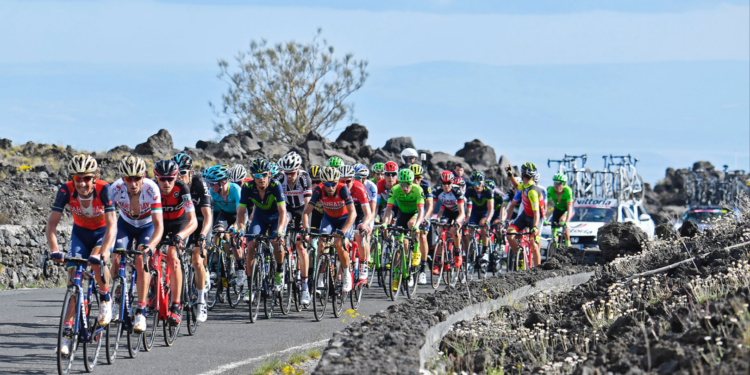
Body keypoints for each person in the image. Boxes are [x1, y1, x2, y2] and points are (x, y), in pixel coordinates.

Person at [47, 155, 117, 356]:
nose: (82, 183)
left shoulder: (104, 189)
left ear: (95, 177)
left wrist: (103, 253)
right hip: (79, 234)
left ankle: (105, 299)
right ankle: (68, 333)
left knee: (96, 263)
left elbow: (112, 225)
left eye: (87, 178)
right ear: (73, 179)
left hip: (102, 233)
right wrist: (54, 250)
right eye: (78, 178)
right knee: (73, 281)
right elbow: (52, 224)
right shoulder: (65, 190)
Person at [111, 155, 165, 331]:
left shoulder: (152, 189)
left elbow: (159, 226)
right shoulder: (115, 189)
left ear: (143, 177)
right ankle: (117, 296)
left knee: (141, 259)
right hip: (125, 224)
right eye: (128, 179)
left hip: (147, 226)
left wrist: (151, 247)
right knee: (116, 255)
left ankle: (141, 311)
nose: (133, 184)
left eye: (137, 179)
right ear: (122, 179)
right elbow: (108, 222)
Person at [154, 159, 198, 325]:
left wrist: (181, 236)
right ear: (156, 178)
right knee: (149, 254)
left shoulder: (182, 188)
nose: (166, 183)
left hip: (180, 224)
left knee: (173, 255)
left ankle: (176, 305)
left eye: (170, 179)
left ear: (176, 177)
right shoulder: (151, 189)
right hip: (160, 224)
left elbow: (193, 221)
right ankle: (153, 291)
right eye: (162, 179)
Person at [301, 166, 357, 292]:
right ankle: (320, 278)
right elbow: (306, 212)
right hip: (329, 219)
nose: (330, 188)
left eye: (333, 184)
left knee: (339, 244)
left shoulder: (342, 189)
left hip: (344, 219)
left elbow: (353, 213)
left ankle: (346, 273)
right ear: (322, 183)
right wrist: (305, 228)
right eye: (327, 184)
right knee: (322, 244)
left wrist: (343, 231)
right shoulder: (319, 190)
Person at [236, 158, 288, 292]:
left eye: (264, 174)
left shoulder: (275, 185)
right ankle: (251, 286)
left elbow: (283, 212)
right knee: (251, 244)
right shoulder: (248, 187)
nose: (262, 178)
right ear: (253, 176)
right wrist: (241, 228)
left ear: (269, 174)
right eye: (258, 176)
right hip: (260, 218)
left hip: (276, 217)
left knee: (276, 242)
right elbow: (241, 212)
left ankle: (279, 272)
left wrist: (280, 231)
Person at [172, 153, 212, 323]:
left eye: (183, 172)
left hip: (202, 222)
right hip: (185, 223)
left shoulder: (199, 183)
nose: (179, 176)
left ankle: (201, 301)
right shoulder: (173, 186)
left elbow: (208, 216)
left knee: (196, 260)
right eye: (177, 173)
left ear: (191, 172)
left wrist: (203, 235)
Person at [205, 164, 247, 292]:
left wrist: (235, 226)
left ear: (223, 182)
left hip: (237, 214)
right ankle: (215, 267)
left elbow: (241, 213)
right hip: (223, 214)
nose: (211, 186)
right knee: (217, 234)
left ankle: (240, 268)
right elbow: (211, 212)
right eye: (209, 183)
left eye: (213, 183)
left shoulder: (235, 190)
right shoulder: (213, 191)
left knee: (234, 238)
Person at [278, 151, 313, 305]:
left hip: (301, 210)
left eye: (292, 172)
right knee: (279, 233)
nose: (289, 175)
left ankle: (305, 288)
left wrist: (305, 229)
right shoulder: (279, 178)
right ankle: (281, 269)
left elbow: (308, 205)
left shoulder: (304, 178)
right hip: (286, 210)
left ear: (298, 169)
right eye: (286, 172)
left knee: (301, 247)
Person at [382, 169, 425, 291]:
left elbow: (421, 211)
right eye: (402, 184)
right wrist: (385, 223)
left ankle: (416, 251)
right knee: (399, 245)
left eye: (407, 184)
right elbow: (388, 209)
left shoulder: (418, 190)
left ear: (412, 182)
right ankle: (396, 277)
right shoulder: (395, 190)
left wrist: (417, 225)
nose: (405, 187)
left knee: (412, 224)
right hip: (402, 214)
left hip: (415, 214)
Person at [505, 163, 545, 267]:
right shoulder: (525, 185)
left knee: (533, 244)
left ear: (522, 174)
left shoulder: (532, 191)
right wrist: (510, 175)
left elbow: (536, 212)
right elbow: (517, 186)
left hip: (535, 219)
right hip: (525, 215)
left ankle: (537, 270)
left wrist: (535, 227)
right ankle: (520, 255)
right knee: (509, 234)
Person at [339, 165, 373, 282]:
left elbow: (368, 213)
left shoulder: (359, 188)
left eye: (348, 181)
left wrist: (363, 225)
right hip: (347, 213)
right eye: (342, 181)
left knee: (360, 234)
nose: (345, 184)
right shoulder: (337, 188)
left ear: (353, 180)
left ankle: (364, 264)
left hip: (360, 213)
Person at [432, 170, 465, 273]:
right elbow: (432, 208)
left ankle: (457, 253)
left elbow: (462, 213)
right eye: (444, 183)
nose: (446, 186)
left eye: (449, 183)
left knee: (454, 228)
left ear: (452, 182)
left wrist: (457, 222)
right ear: (440, 183)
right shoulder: (437, 190)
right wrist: (434, 219)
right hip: (447, 212)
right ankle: (438, 262)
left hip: (457, 213)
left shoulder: (457, 191)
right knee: (442, 230)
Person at [463, 171, 494, 269]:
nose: (476, 186)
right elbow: (463, 204)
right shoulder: (469, 190)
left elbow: (491, 209)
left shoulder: (488, 191)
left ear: (483, 183)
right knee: (470, 231)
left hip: (485, 212)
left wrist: (488, 220)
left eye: (478, 183)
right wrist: (466, 217)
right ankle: (471, 255)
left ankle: (485, 251)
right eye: (474, 183)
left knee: (482, 224)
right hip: (475, 213)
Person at [409, 164, 433, 284]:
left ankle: (423, 270)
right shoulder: (406, 184)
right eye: (414, 178)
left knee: (423, 236)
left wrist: (425, 218)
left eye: (419, 178)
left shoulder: (425, 185)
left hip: (422, 213)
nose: (416, 181)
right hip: (410, 212)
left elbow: (430, 205)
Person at [548, 173, 574, 246]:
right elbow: (545, 205)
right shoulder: (551, 190)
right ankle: (552, 254)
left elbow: (569, 208)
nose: (556, 185)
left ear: (564, 184)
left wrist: (567, 221)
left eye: (559, 183)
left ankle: (568, 243)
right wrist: (544, 218)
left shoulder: (568, 190)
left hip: (566, 209)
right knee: (554, 233)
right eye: (555, 182)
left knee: (562, 221)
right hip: (557, 209)